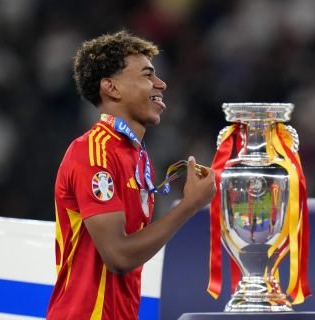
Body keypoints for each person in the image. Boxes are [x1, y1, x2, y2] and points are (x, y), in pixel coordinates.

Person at [46, 31, 216, 319]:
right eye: (147, 75)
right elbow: (119, 256)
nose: (160, 83)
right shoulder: (92, 152)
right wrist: (190, 206)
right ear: (111, 88)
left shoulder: (135, 156)